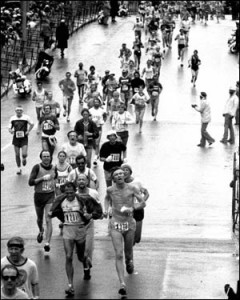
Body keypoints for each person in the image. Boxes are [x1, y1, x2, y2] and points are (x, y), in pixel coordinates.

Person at [47, 182, 102, 295]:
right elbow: (53, 211)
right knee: (68, 256)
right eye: (67, 193)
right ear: (64, 193)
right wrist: (51, 214)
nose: (69, 195)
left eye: (71, 192)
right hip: (67, 230)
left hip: (80, 229)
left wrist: (90, 215)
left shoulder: (84, 199)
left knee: (82, 257)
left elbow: (98, 211)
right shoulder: (61, 200)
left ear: (75, 190)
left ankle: (86, 265)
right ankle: (70, 285)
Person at [104, 167, 146, 297]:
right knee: (118, 254)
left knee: (128, 253)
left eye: (121, 173)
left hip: (129, 224)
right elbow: (106, 199)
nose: (119, 176)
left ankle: (130, 262)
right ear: (113, 178)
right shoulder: (110, 190)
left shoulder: (132, 188)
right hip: (115, 223)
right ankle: (122, 283)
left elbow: (143, 203)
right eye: (116, 174)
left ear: (124, 176)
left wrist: (133, 207)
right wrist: (106, 210)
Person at [28, 150, 58, 252]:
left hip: (50, 196)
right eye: (44, 156)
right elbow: (30, 182)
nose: (46, 158)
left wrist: (56, 185)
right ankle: (41, 230)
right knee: (40, 219)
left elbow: (56, 179)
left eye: (48, 156)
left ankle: (47, 243)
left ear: (50, 157)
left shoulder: (54, 168)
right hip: (39, 196)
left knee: (48, 219)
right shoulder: (37, 167)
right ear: (41, 157)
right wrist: (42, 178)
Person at [76, 173, 103, 280]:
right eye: (79, 180)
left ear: (87, 182)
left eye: (83, 179)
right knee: (80, 254)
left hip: (89, 225)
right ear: (76, 182)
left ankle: (86, 270)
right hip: (77, 226)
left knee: (87, 249)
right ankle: (86, 262)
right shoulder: (73, 194)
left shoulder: (93, 193)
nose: (81, 181)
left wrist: (91, 215)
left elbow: (98, 209)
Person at [121, 164, 149, 245]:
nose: (125, 172)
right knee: (130, 237)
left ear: (130, 172)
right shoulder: (120, 183)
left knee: (137, 238)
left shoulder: (137, 182)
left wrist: (141, 203)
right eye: (123, 170)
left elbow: (147, 194)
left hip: (138, 210)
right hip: (127, 211)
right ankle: (129, 255)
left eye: (127, 170)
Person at [8, 106, 34, 175]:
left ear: (22, 111)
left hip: (24, 138)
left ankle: (24, 158)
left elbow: (32, 124)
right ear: (15, 111)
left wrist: (28, 131)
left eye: (20, 110)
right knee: (17, 154)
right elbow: (9, 127)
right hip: (16, 138)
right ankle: (19, 168)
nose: (19, 111)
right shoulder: (12, 118)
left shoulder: (26, 117)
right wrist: (11, 131)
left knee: (24, 154)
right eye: (17, 110)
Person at [89, 98, 107, 166]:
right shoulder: (90, 110)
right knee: (94, 143)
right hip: (92, 129)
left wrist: (103, 121)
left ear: (99, 103)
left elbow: (105, 116)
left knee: (97, 143)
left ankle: (95, 157)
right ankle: (97, 151)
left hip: (99, 128)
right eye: (95, 102)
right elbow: (88, 118)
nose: (96, 103)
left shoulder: (102, 111)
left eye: (97, 102)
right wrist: (91, 120)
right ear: (93, 103)